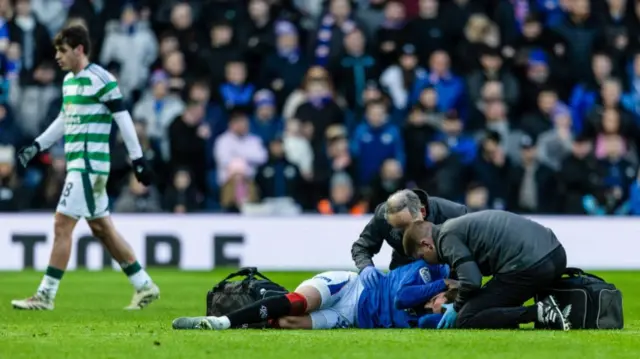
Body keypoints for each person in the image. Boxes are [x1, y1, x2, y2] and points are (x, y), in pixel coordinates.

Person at [11, 25, 160, 311]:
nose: (57, 56)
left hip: (89, 167)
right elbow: (65, 120)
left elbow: (124, 119)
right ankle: (144, 285)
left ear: (79, 49)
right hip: (79, 165)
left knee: (61, 224)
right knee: (102, 228)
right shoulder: (68, 82)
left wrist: (138, 159)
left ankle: (45, 295)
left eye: (62, 50)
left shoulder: (101, 79)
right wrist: (37, 145)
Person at [401, 210, 571, 330]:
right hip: (555, 254)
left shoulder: (446, 238)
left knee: (466, 317)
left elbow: (473, 281)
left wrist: (457, 306)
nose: (427, 262)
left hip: (531, 265)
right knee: (488, 302)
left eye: (422, 257)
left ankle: (540, 312)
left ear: (426, 244)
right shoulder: (455, 227)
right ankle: (539, 313)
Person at [172, 259, 457, 330]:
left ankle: (251, 307)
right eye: (444, 306)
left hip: (350, 316)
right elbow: (402, 298)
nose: (438, 309)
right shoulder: (429, 270)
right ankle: (222, 321)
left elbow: (426, 322)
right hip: (350, 286)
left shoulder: (430, 315)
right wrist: (443, 283)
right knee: (298, 303)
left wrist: (446, 312)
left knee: (287, 323)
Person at [352, 188, 467, 288]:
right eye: (399, 229)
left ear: (422, 211)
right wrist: (366, 266)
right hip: (403, 272)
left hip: (448, 272)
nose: (406, 234)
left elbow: (471, 248)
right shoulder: (383, 217)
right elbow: (361, 247)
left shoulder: (453, 214)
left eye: (407, 226)